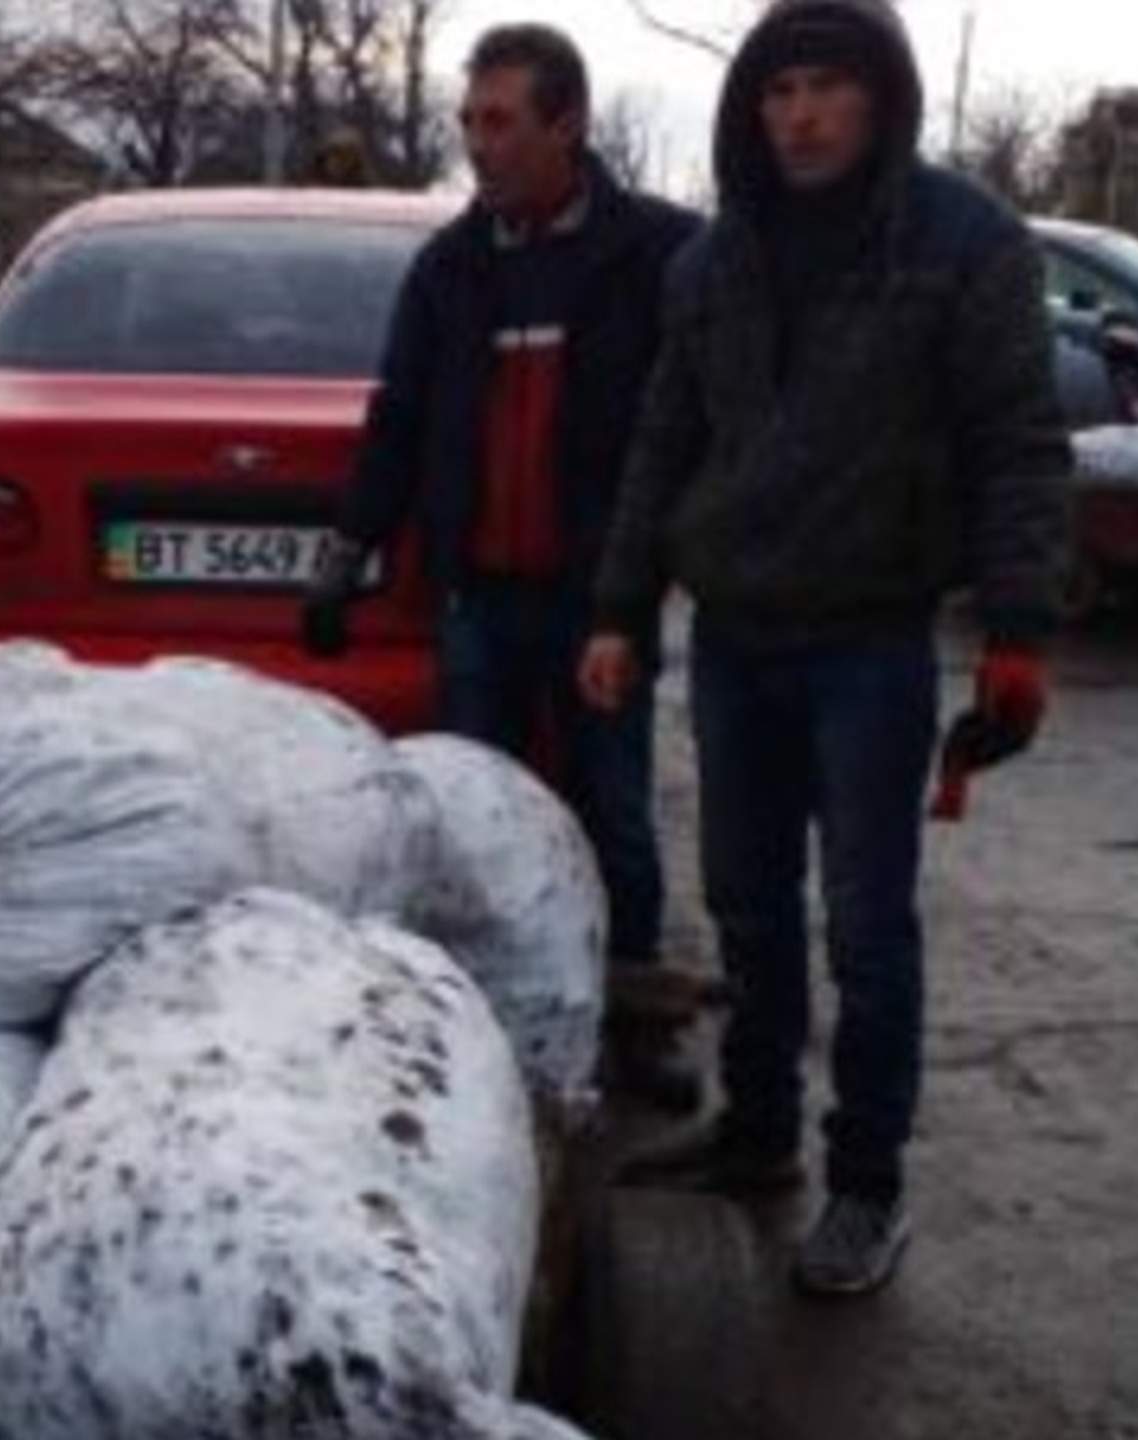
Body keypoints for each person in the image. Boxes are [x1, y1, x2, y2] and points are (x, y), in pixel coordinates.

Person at [581, 0, 1068, 1296]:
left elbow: (1020, 443)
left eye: (826, 88)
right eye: (778, 89)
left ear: (881, 100)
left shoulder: (963, 244)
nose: (798, 113)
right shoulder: (714, 264)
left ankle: (866, 1184)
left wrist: (1019, 631)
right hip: (737, 637)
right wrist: (620, 609)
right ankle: (754, 1137)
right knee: (746, 906)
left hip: (869, 645)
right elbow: (661, 444)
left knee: (865, 926)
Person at [300, 23, 703, 1111]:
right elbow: (400, 419)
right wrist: (349, 554)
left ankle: (638, 1023)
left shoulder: (657, 254)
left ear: (567, 123)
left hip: (599, 604)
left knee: (613, 809)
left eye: (500, 122)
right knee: (476, 817)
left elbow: (707, 418)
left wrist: (685, 556)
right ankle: (480, 1018)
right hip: (477, 597)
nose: (479, 146)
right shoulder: (451, 268)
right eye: (468, 122)